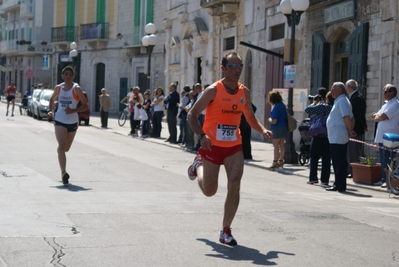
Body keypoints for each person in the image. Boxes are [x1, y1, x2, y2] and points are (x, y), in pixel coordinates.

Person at [187, 51, 272, 246]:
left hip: (234, 146)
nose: (237, 70)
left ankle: (226, 230)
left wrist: (263, 129)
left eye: (240, 66)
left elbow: (249, 117)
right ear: (223, 69)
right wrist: (202, 136)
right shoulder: (212, 91)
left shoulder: (244, 92)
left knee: (234, 184)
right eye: (232, 66)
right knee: (210, 191)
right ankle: (197, 166)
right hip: (211, 146)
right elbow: (192, 115)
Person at [48, 66, 88, 185]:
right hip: (60, 119)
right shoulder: (58, 88)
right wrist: (51, 111)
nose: (68, 76)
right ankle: (63, 172)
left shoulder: (77, 89)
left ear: (73, 76)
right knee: (61, 145)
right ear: (62, 76)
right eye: (66, 74)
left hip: (73, 121)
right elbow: (51, 100)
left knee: (66, 148)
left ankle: (62, 164)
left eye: (70, 74)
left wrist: (74, 110)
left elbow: (85, 106)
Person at [325, 82, 356, 192]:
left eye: (334, 89)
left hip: (338, 135)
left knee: (339, 161)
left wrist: (350, 129)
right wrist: (350, 129)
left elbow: (347, 117)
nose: (331, 91)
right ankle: (338, 183)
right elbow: (351, 118)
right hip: (336, 135)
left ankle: (339, 184)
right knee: (338, 160)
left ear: (340, 90)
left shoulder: (342, 101)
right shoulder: (340, 100)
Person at [371, 84, 399, 188]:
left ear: (392, 93)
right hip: (382, 137)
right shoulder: (386, 104)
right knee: (383, 158)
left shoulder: (395, 104)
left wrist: (378, 117)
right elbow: (375, 116)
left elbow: (383, 116)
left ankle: (389, 180)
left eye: (386, 91)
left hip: (390, 137)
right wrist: (377, 117)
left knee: (388, 159)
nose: (383, 93)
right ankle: (384, 179)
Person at [304, 89, 333, 185]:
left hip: (317, 135)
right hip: (328, 136)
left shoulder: (321, 107)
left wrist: (314, 103)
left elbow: (307, 110)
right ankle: (325, 180)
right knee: (326, 159)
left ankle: (313, 178)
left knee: (314, 157)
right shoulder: (334, 108)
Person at [345, 79, 368, 178]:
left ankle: (353, 170)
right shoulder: (353, 97)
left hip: (355, 129)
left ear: (349, 87)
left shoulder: (357, 98)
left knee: (353, 151)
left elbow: (359, 115)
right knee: (350, 150)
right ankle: (349, 169)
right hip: (353, 128)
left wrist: (364, 126)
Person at [267, 90, 288, 169]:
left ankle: (275, 162)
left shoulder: (276, 106)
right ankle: (281, 161)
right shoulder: (282, 105)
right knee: (282, 144)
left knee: (275, 145)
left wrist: (269, 119)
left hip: (277, 127)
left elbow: (274, 120)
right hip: (284, 126)